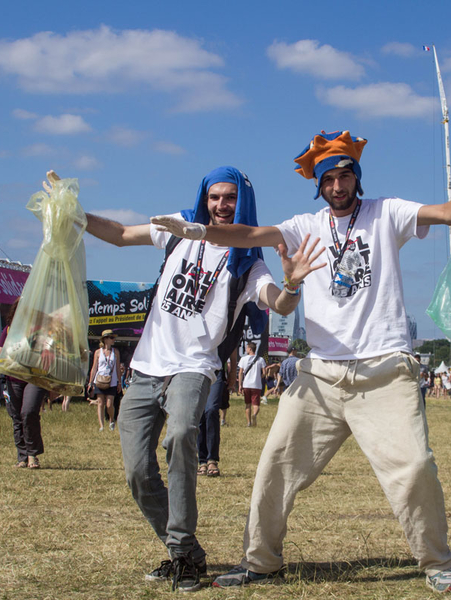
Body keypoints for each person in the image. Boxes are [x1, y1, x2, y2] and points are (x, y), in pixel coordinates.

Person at [155, 130, 451, 594]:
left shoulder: (387, 213)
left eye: (345, 175)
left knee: (414, 468)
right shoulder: (305, 225)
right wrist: (197, 231)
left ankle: (437, 562)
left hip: (385, 371)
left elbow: (444, 213)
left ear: (356, 178)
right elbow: (249, 234)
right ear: (319, 184)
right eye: (329, 178)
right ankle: (261, 561)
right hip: (320, 375)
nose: (338, 185)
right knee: (274, 464)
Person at [46, 166, 324, 592]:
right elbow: (121, 234)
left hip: (194, 367)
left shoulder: (248, 263)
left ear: (243, 202)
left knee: (179, 435)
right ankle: (186, 551)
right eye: (214, 197)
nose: (221, 205)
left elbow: (279, 305)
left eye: (230, 197)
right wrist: (74, 215)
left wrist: (292, 285)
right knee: (138, 470)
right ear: (204, 199)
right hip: (145, 367)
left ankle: (182, 557)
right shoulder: (178, 229)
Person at [0, 298, 49, 469]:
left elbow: (47, 353)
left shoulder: (39, 331)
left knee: (28, 412)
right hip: (12, 379)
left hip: (34, 378)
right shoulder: (9, 330)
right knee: (16, 417)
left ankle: (33, 454)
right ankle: (22, 457)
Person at [197, 349, 237, 477]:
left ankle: (212, 459)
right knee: (200, 413)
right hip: (195, 368)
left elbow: (233, 345)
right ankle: (202, 461)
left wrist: (232, 371)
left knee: (211, 410)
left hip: (216, 369)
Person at [88, 330, 122, 431]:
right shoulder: (98, 352)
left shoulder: (115, 352)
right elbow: (94, 368)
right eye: (111, 338)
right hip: (99, 380)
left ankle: (111, 420)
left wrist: (119, 382)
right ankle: (101, 426)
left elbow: (117, 368)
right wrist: (90, 382)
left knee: (109, 404)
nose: (113, 340)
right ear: (105, 339)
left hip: (111, 381)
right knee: (100, 403)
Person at [238, 342, 267, 427]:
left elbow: (240, 373)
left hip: (246, 384)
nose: (246, 350)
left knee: (247, 404)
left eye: (247, 348)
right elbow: (264, 372)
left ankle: (249, 423)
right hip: (256, 385)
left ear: (250, 349)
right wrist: (259, 376)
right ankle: (254, 415)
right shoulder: (260, 359)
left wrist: (240, 385)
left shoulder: (243, 359)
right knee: (256, 404)